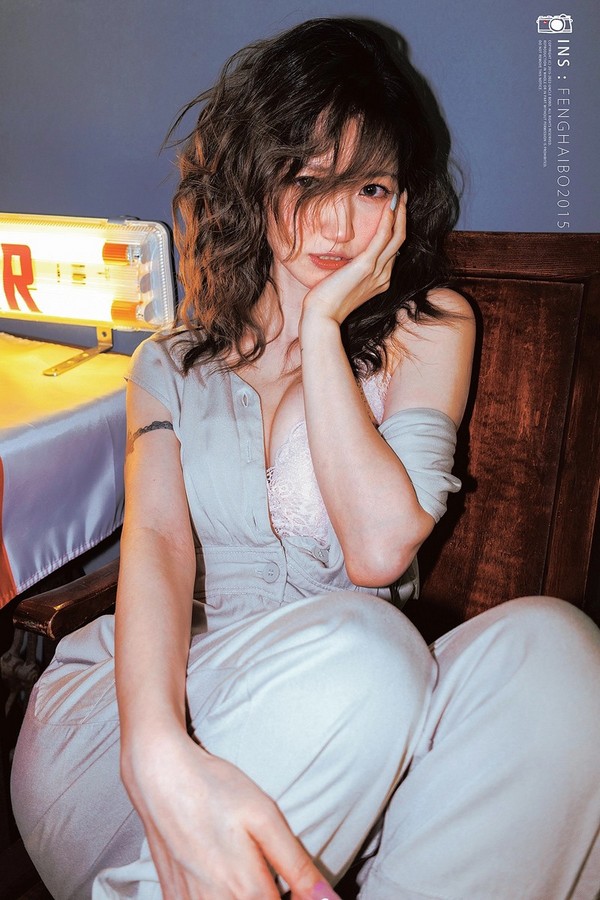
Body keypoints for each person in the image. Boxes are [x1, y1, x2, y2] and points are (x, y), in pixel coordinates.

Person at [11, 18, 600, 900]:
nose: (337, 221)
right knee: (371, 655)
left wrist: (323, 328)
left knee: (555, 650)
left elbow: (378, 550)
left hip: (360, 702)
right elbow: (158, 551)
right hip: (144, 712)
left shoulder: (428, 329)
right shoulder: (168, 366)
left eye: (370, 187)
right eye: (306, 180)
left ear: (402, 202)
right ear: (254, 179)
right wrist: (155, 746)